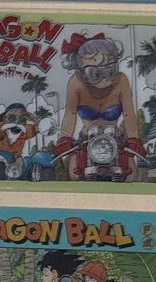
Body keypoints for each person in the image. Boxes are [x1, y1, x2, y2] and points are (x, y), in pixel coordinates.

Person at [55, 32, 144, 180]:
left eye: (111, 70)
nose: (105, 78)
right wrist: (65, 138)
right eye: (95, 73)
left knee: (130, 174)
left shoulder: (121, 80)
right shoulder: (75, 83)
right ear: (82, 71)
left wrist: (134, 139)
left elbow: (129, 113)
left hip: (116, 139)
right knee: (75, 174)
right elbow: (70, 113)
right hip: (85, 140)